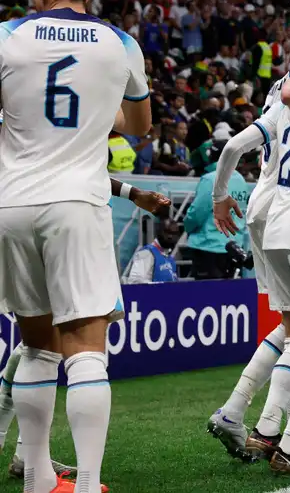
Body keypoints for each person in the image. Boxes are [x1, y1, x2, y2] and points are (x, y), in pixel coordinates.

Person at [0, 0, 152, 493]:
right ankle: (87, 484)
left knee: (36, 343)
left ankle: (38, 478)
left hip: (11, 203)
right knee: (86, 348)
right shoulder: (119, 43)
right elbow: (139, 125)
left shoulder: (7, 36)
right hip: (77, 202)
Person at [206, 25, 290, 461]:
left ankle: (237, 410)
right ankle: (279, 429)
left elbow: (236, 145)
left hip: (261, 210)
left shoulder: (281, 86)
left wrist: (222, 195)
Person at [0, 178, 167, 481]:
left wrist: (131, 192)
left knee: (37, 343)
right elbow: (131, 130)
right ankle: (79, 481)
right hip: (75, 214)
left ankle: (28, 461)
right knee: (83, 347)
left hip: (15, 209)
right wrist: (132, 192)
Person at [184, 140, 251, 280]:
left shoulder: (210, 179)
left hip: (208, 247)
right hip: (233, 247)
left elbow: (196, 214)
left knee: (207, 298)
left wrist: (187, 227)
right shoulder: (241, 181)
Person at [120, 219, 181, 283]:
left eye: (174, 233)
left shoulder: (170, 258)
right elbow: (134, 281)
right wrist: (160, 286)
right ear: (158, 232)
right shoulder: (146, 253)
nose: (170, 236)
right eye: (166, 232)